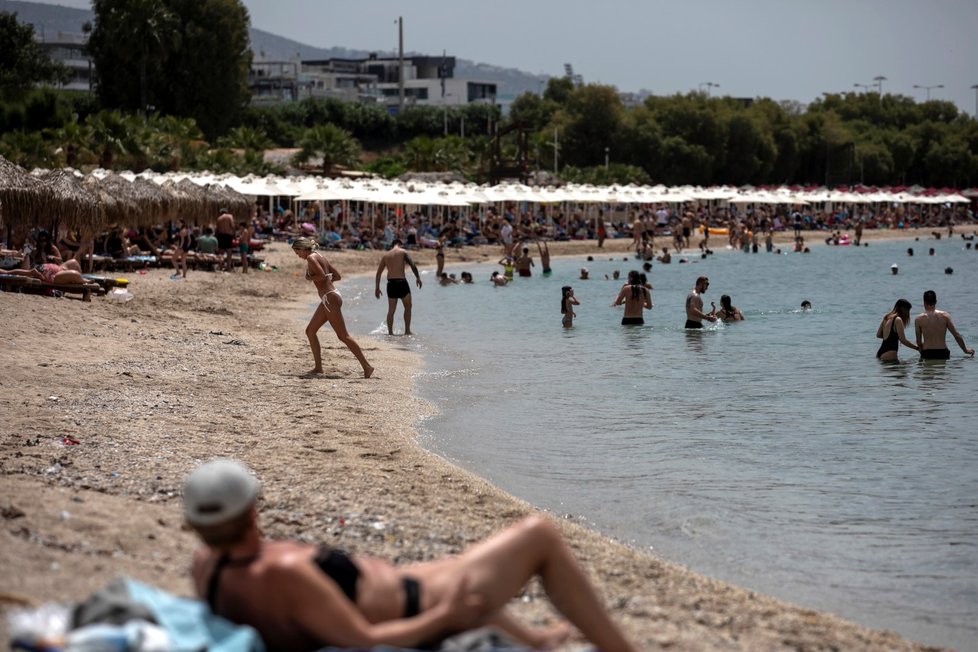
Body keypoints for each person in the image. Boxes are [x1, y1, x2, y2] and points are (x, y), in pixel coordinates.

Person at [184, 459, 637, 652]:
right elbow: (365, 640)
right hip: (418, 605)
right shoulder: (282, 576)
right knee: (538, 535)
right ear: (250, 513)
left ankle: (534, 641)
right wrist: (446, 616)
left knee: (455, 565)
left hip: (399, 587)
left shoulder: (208, 566)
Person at [292, 238, 373, 378]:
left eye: (297, 251)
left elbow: (322, 276)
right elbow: (337, 276)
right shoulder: (320, 256)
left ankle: (367, 366)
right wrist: (325, 282)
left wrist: (309, 278)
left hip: (330, 298)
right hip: (330, 296)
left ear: (303, 248)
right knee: (310, 331)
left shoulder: (311, 258)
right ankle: (318, 368)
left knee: (343, 336)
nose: (297, 255)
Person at [375, 239, 422, 336]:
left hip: (391, 284)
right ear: (400, 244)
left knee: (391, 310)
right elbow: (412, 264)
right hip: (401, 283)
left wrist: (377, 288)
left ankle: (390, 333)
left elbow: (379, 273)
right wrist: (417, 277)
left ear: (392, 245)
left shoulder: (386, 255)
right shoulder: (403, 252)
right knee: (408, 307)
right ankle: (407, 331)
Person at [914, 290, 974, 360]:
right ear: (936, 302)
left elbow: (919, 341)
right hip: (942, 352)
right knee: (941, 370)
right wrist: (965, 350)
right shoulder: (945, 316)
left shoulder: (918, 319)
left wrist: (922, 351)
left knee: (927, 371)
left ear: (924, 302)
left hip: (927, 352)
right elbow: (956, 335)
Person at [4, 258, 85, 285]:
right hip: (51, 273)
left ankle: (6, 272)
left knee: (75, 263)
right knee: (75, 267)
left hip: (46, 268)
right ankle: (82, 280)